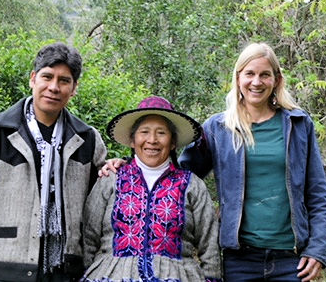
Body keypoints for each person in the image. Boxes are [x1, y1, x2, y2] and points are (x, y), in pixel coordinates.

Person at [179, 42, 326, 282]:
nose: (256, 82)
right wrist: (128, 167)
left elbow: (318, 193)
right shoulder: (218, 128)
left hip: (291, 260)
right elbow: (179, 175)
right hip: (239, 260)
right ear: (238, 78)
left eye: (265, 75)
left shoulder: (299, 124)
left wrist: (317, 249)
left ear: (276, 80)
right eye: (249, 74)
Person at [0, 42, 107, 282]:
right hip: (5, 269)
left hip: (67, 272)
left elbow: (100, 207)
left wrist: (115, 168)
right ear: (33, 79)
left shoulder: (87, 139)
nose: (53, 87)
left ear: (74, 88)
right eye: (47, 77)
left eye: (64, 80)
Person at [81, 96, 222, 282]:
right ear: (132, 140)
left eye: (161, 133)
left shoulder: (191, 185)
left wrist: (211, 278)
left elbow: (210, 245)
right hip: (111, 275)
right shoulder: (111, 179)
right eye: (144, 132)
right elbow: (88, 237)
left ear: (173, 142)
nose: (152, 140)